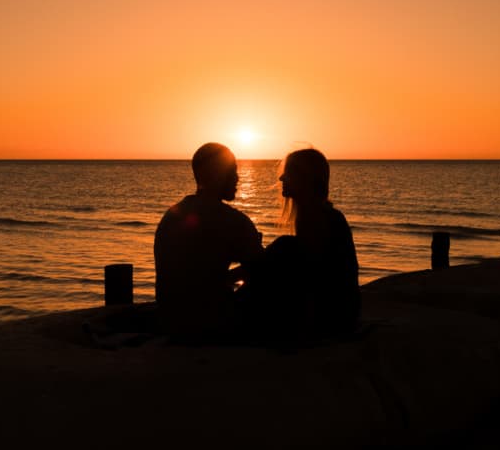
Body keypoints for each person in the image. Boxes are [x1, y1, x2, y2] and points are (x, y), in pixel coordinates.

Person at [239, 148, 360, 339]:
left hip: (331, 319)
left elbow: (315, 281)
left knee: (284, 246)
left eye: (288, 174)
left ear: (304, 178)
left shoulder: (321, 219)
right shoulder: (317, 215)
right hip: (338, 316)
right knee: (282, 248)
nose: (281, 179)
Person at [154, 142, 264, 339]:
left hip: (169, 321)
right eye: (232, 171)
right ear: (214, 174)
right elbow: (261, 270)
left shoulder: (172, 215)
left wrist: (223, 278)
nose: (238, 178)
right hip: (209, 325)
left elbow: (188, 275)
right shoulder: (232, 220)